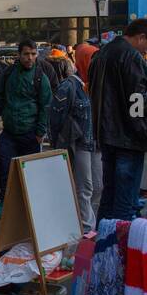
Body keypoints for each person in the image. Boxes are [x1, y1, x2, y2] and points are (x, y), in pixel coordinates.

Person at [87, 18, 147, 221]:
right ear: (141, 37)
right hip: (128, 138)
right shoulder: (131, 57)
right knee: (125, 203)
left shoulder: (102, 54)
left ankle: (103, 245)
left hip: (106, 135)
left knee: (109, 199)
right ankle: (118, 249)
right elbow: (138, 103)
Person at [0, 39, 52, 220]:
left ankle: (32, 209)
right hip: (9, 132)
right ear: (19, 55)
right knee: (6, 169)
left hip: (31, 133)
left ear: (37, 54)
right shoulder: (8, 74)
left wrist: (40, 132)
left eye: (33, 54)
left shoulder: (40, 77)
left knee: (30, 173)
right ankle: (4, 204)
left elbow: (46, 106)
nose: (30, 57)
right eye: (26, 54)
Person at [47, 55, 100, 233]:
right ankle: (85, 228)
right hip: (78, 143)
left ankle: (80, 219)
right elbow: (55, 117)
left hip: (95, 143)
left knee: (97, 186)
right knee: (84, 187)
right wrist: (57, 145)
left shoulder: (95, 86)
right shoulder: (69, 87)